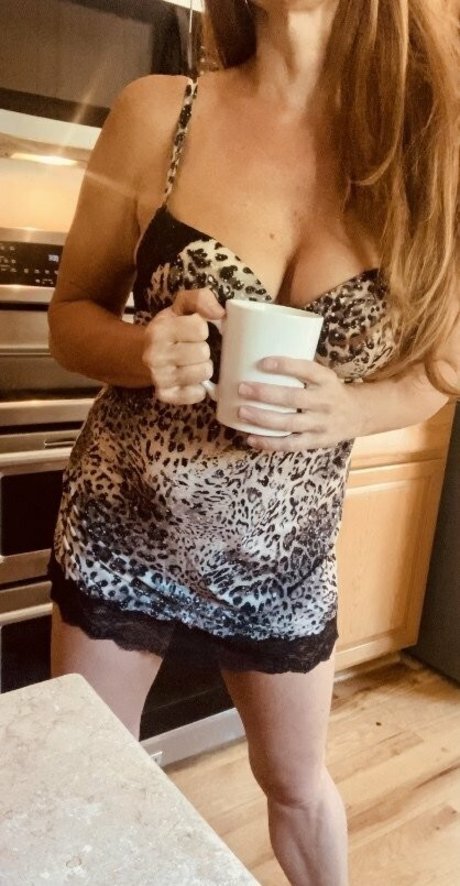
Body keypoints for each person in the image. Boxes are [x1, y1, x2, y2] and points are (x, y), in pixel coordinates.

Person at [47, 2, 458, 884]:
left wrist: (350, 412)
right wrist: (142, 349)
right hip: (124, 528)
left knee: (299, 789)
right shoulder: (159, 113)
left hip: (283, 561)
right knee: (85, 782)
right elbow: (71, 317)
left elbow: (442, 371)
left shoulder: (430, 149)